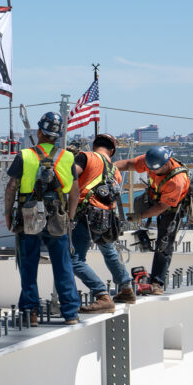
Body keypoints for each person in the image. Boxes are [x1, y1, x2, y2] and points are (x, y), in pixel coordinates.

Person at [3, 111, 81, 325]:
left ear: (39, 132)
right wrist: (70, 218)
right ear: (57, 136)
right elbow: (75, 192)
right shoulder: (67, 157)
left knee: (28, 266)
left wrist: (8, 214)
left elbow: (11, 188)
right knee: (63, 265)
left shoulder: (24, 156)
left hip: (29, 215)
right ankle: (70, 313)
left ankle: (31, 313)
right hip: (58, 216)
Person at [70, 133, 135, 312]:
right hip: (106, 217)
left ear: (94, 145)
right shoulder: (115, 171)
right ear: (112, 151)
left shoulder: (86, 157)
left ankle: (102, 295)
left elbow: (70, 175)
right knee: (109, 251)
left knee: (74, 260)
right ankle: (126, 288)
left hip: (84, 214)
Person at [115, 146, 191, 296]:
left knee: (164, 243)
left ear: (165, 163)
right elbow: (129, 164)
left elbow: (163, 206)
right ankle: (143, 235)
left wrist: (140, 217)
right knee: (138, 204)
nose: (152, 172)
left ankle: (157, 282)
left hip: (171, 208)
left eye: (155, 170)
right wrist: (109, 167)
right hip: (155, 195)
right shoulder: (151, 160)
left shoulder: (176, 181)